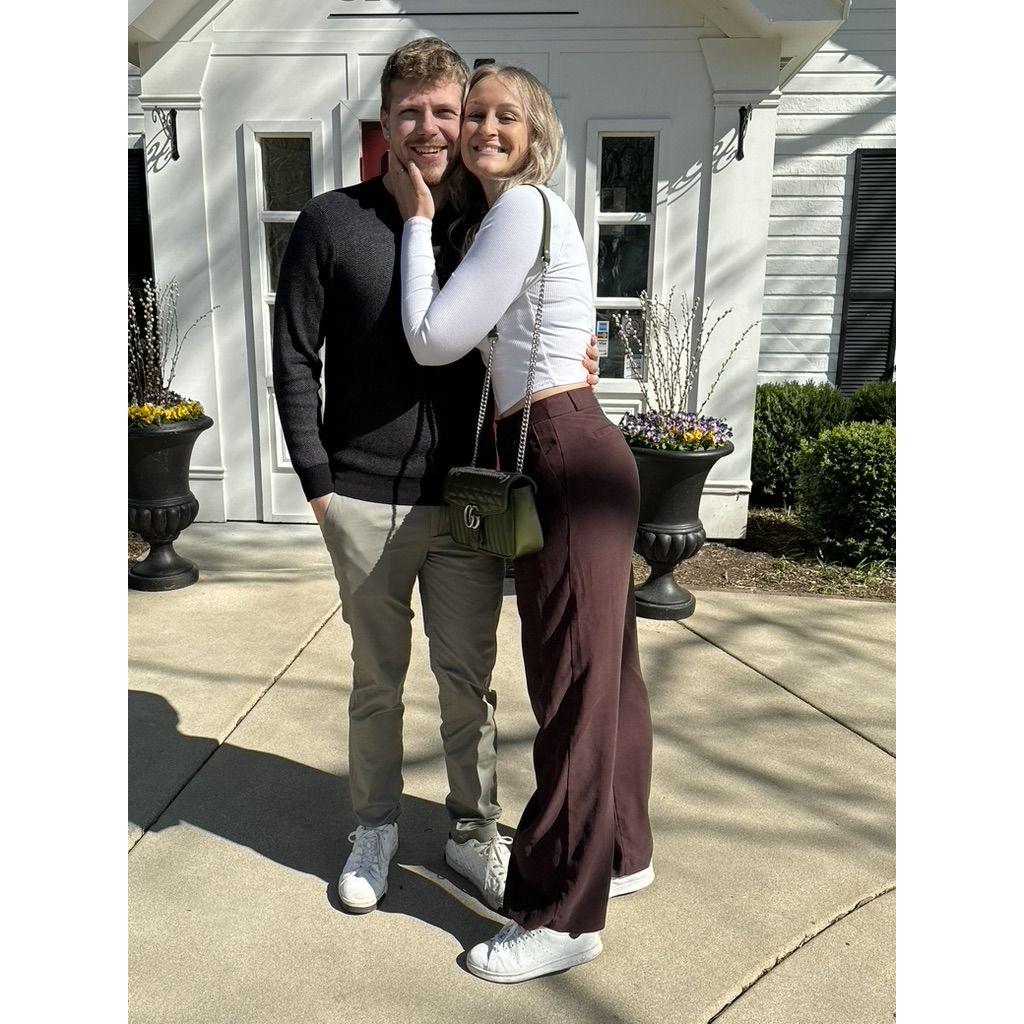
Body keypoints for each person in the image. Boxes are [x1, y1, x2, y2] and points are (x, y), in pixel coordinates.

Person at [271, 39, 600, 916]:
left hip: (465, 501)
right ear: (384, 119)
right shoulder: (329, 222)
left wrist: (579, 355)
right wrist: (319, 488)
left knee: (468, 684)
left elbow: (543, 313)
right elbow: (294, 360)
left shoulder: (488, 222)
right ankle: (375, 828)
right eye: (410, 110)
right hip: (361, 498)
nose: (431, 127)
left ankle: (471, 831)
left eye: (446, 111)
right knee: (376, 681)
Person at [391, 64, 655, 983]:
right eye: (476, 114)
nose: (485, 128)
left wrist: (416, 224)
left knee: (572, 689)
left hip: (561, 453)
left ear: (536, 131)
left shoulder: (522, 209)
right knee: (607, 674)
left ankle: (562, 915)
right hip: (577, 444)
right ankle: (619, 851)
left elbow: (432, 338)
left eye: (507, 115)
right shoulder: (527, 216)